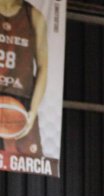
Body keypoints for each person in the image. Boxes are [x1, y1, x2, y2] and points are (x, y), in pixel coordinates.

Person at [0, 0, 47, 157]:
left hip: (21, 105)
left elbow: (43, 67)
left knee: (28, 162)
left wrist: (33, 111)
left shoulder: (34, 16)